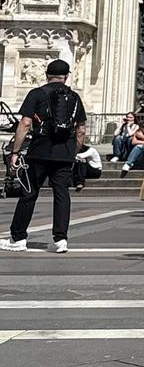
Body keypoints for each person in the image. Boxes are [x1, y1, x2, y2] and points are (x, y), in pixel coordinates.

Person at [0, 59, 86, 253]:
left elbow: (25, 123)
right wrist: (72, 152)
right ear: (66, 76)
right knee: (62, 195)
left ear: (47, 75)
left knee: (29, 194)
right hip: (64, 154)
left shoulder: (36, 94)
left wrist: (15, 151)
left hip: (39, 152)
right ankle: (61, 240)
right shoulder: (74, 97)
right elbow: (81, 130)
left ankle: (18, 238)